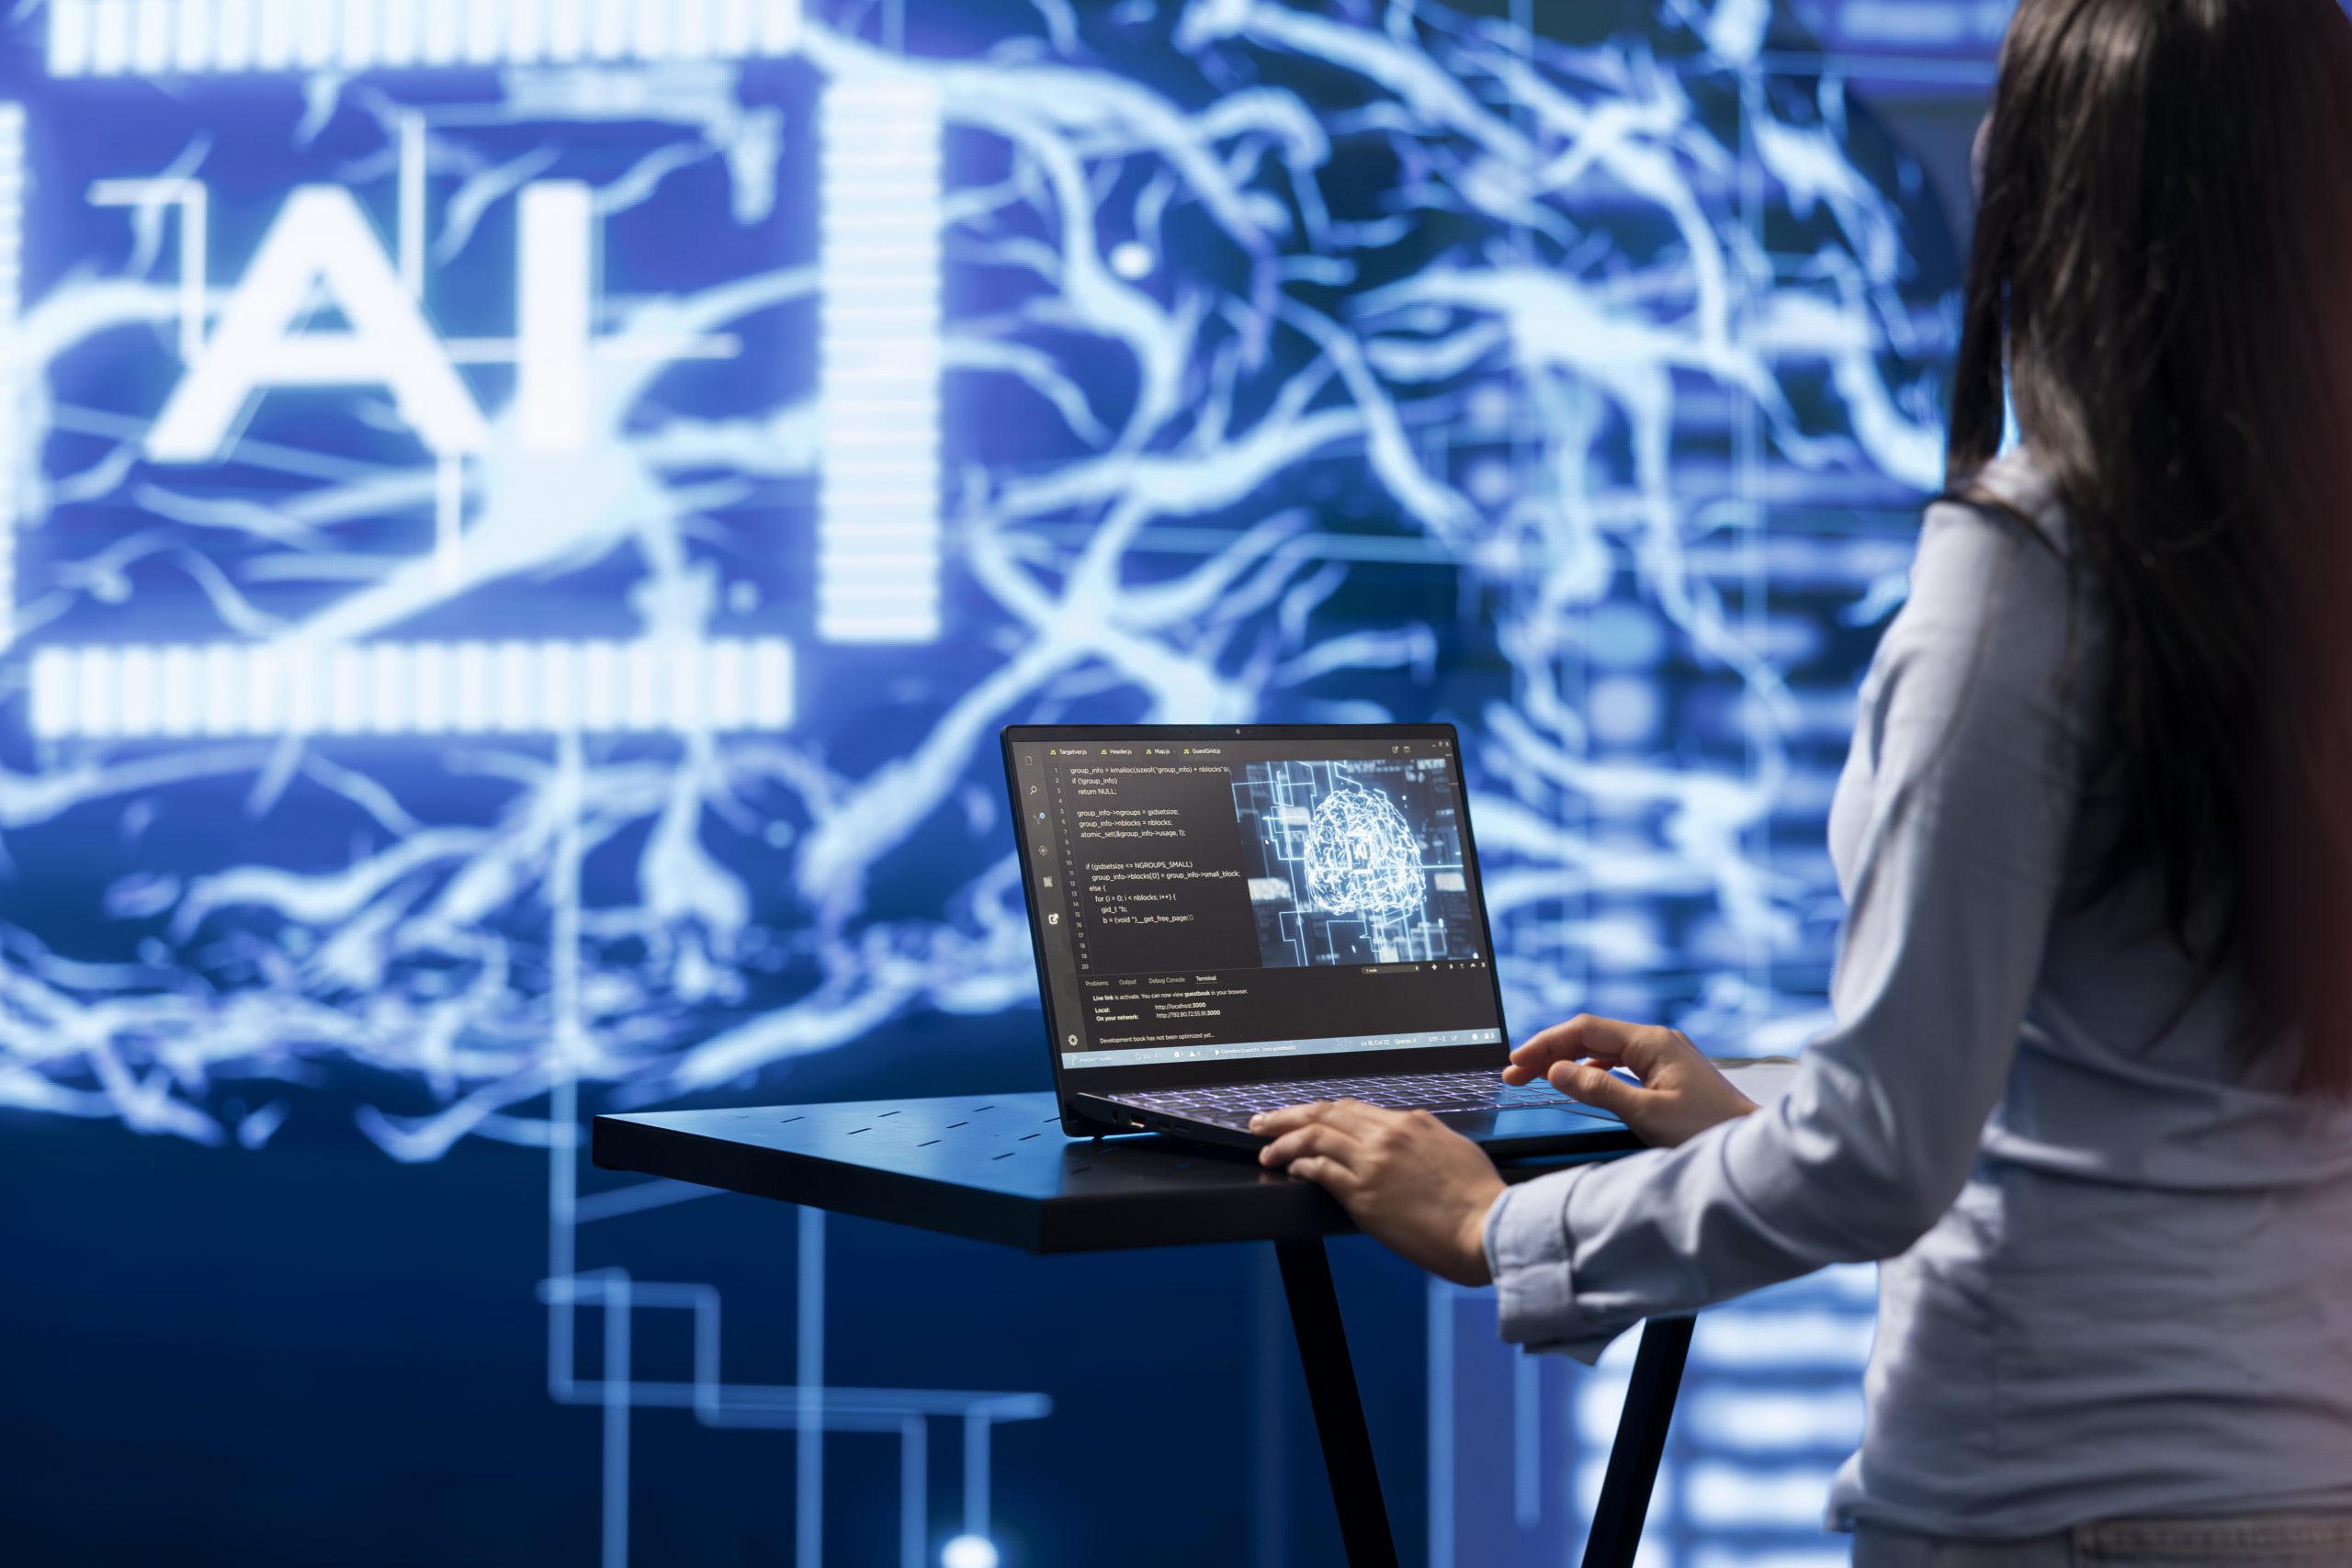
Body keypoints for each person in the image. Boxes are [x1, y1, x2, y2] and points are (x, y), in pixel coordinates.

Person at [1250, 0, 2352, 1560]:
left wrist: (1496, 1225)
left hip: (2057, 1505)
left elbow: (1883, 1160)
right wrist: (1764, 1113)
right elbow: (2160, 1062)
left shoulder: (2037, 569)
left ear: (2053, 183)